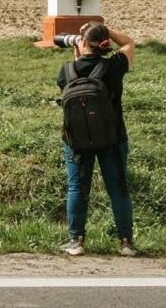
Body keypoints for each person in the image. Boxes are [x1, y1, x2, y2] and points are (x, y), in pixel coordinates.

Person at [57, 22, 138, 256]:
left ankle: (76, 241)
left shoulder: (66, 70)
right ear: (105, 44)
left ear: (83, 43)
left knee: (77, 188)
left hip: (76, 141)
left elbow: (68, 96)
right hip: (112, 138)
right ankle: (125, 242)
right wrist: (105, 29)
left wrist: (77, 57)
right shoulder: (115, 66)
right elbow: (129, 43)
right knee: (118, 189)